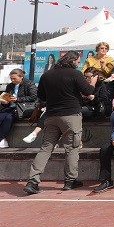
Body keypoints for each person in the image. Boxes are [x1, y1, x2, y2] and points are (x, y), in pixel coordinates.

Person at [24, 52, 95, 194]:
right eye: (78, 61)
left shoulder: (47, 75)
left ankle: (33, 181)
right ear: (73, 60)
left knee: (46, 148)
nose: (78, 63)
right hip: (71, 115)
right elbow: (88, 91)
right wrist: (93, 81)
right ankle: (70, 181)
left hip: (51, 115)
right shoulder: (75, 74)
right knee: (72, 148)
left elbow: (42, 97)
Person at [0, 68, 38, 148]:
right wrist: (4, 102)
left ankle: (2, 139)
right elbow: (7, 99)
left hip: (23, 108)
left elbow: (33, 97)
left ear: (21, 77)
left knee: (8, 118)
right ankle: (3, 139)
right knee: (2, 116)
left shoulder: (29, 84)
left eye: (14, 78)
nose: (12, 80)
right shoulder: (10, 86)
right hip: (11, 107)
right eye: (11, 78)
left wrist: (18, 99)